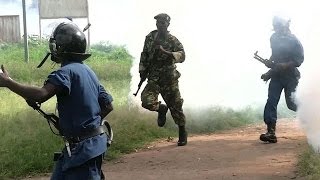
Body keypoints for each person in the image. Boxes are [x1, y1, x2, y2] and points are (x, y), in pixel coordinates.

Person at [0, 22, 113, 179]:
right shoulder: (88, 71)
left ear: (60, 47)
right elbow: (107, 105)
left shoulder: (65, 72)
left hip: (83, 150)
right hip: (92, 144)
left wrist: (8, 82)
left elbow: (41, 94)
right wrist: (86, 124)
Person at [138, 13, 187, 146]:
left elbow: (182, 55)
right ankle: (161, 109)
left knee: (176, 106)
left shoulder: (172, 40)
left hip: (169, 77)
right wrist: (142, 71)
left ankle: (182, 132)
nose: (160, 25)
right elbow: (144, 54)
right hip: (154, 76)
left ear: (168, 24)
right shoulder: (150, 37)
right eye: (158, 23)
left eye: (163, 23)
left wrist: (167, 53)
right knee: (146, 101)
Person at [260, 16, 304, 143]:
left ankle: (313, 117)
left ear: (285, 25)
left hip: (290, 76)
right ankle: (271, 132)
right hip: (277, 76)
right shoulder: (274, 38)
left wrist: (284, 65)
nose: (278, 29)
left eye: (279, 26)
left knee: (292, 104)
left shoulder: (294, 41)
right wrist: (270, 67)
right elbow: (274, 55)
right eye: (276, 26)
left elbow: (299, 60)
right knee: (271, 101)